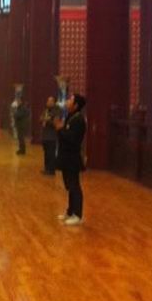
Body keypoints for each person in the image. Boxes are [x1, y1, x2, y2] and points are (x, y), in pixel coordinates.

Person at [54, 93, 87, 225]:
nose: (67, 102)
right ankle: (70, 211)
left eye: (70, 100)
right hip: (66, 157)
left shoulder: (79, 120)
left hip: (72, 158)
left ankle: (77, 215)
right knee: (69, 186)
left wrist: (60, 129)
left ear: (76, 105)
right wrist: (60, 129)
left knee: (74, 186)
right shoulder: (70, 116)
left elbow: (72, 139)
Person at [40, 96, 61, 175]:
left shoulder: (57, 111)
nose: (48, 102)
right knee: (46, 153)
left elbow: (56, 123)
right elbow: (41, 118)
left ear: (54, 102)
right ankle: (47, 168)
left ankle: (51, 170)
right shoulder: (46, 110)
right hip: (45, 135)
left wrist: (47, 120)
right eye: (48, 101)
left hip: (52, 136)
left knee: (51, 153)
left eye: (50, 101)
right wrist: (44, 119)